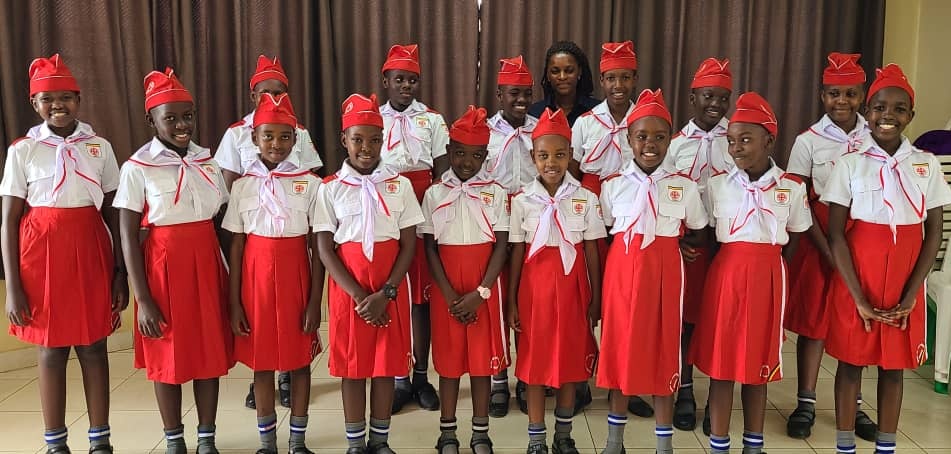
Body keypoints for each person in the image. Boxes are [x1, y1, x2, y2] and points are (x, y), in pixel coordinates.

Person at [1, 53, 127, 454]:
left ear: (79, 99)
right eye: (47, 99)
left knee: (94, 346)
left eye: (66, 98)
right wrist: (13, 288)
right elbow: (8, 221)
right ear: (34, 105)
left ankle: (100, 438)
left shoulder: (99, 146)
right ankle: (56, 441)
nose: (58, 105)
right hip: (40, 257)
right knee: (51, 348)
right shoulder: (23, 150)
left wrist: (119, 270)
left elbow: (112, 210)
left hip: (91, 251)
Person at [822, 64, 951, 454]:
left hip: (904, 279)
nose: (887, 116)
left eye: (898, 109)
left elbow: (933, 234)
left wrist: (913, 293)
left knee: (893, 368)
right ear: (869, 112)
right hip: (856, 277)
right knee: (850, 362)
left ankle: (886, 446)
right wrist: (857, 295)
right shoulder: (850, 164)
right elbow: (835, 234)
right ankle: (845, 444)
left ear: (910, 115)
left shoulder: (925, 165)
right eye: (879, 107)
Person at [114, 68, 233, 454]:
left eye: (188, 116)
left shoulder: (207, 161)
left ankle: (207, 438)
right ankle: (174, 439)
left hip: (206, 261)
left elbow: (221, 219)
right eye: (171, 118)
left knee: (207, 351)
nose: (182, 125)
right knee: (168, 352)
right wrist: (142, 297)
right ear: (152, 120)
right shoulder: (137, 167)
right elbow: (128, 235)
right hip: (163, 267)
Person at [689, 92, 812, 454]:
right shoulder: (717, 185)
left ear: (769, 141)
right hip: (725, 276)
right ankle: (719, 442)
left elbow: (795, 239)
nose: (736, 148)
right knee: (723, 365)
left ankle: (753, 443)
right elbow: (707, 235)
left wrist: (770, 268)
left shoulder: (790, 188)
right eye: (731, 141)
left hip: (768, 276)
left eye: (745, 139)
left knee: (757, 366)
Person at [596, 89, 708, 454]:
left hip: (665, 275)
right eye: (641, 136)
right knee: (621, 351)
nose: (650, 144)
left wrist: (682, 246)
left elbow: (698, 228)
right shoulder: (612, 186)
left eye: (659, 137)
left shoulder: (683, 186)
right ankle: (615, 441)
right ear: (628, 138)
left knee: (663, 351)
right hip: (623, 274)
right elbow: (608, 230)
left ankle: (664, 443)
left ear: (670, 140)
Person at [315, 93, 423, 454]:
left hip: (389, 289)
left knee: (385, 367)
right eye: (358, 139)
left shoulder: (400, 186)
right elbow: (325, 249)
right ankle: (354, 443)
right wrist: (361, 297)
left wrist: (387, 293)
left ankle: (380, 441)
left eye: (374, 139)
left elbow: (408, 244)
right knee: (352, 368)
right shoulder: (329, 188)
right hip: (350, 293)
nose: (367, 147)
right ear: (344, 139)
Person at [222, 93, 323, 454]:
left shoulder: (311, 184)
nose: (276, 144)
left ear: (296, 140)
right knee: (262, 364)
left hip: (296, 277)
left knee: (299, 363)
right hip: (255, 282)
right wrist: (234, 303)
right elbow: (235, 245)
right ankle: (267, 443)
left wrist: (315, 301)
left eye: (284, 136)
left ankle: (297, 440)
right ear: (254, 138)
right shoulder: (242, 185)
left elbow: (317, 248)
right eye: (268, 136)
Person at [784, 52, 877, 441]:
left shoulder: (875, 137)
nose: (843, 101)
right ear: (822, 96)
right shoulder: (808, 141)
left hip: (863, 239)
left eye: (851, 94)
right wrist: (826, 251)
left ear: (863, 97)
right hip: (818, 237)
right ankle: (805, 402)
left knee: (855, 321)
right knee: (815, 323)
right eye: (834, 94)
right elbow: (797, 198)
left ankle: (851, 406)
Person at [508, 108, 604, 454]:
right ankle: (536, 438)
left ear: (570, 156)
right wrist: (512, 300)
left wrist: (597, 297)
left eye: (560, 155)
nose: (552, 163)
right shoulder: (521, 201)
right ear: (533, 157)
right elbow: (516, 253)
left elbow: (592, 251)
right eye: (544, 155)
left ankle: (563, 434)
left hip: (572, 287)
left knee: (570, 363)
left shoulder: (585, 198)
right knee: (534, 364)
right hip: (535, 289)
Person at [421, 105, 510, 454]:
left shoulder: (497, 192)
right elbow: (429, 249)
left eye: (475, 155)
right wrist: (449, 295)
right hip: (447, 287)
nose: (466, 162)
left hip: (482, 285)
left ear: (486, 155)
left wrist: (481, 292)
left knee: (480, 365)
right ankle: (447, 432)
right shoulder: (433, 193)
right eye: (459, 153)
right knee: (448, 362)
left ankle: (480, 433)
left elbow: (501, 246)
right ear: (449, 152)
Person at [378, 44, 451, 413]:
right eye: (399, 79)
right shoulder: (373, 117)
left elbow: (441, 171)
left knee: (421, 300)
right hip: (387, 207)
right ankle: (398, 378)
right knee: (395, 294)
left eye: (412, 80)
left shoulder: (433, 120)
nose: (406, 86)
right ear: (386, 80)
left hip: (422, 206)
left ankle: (421, 376)